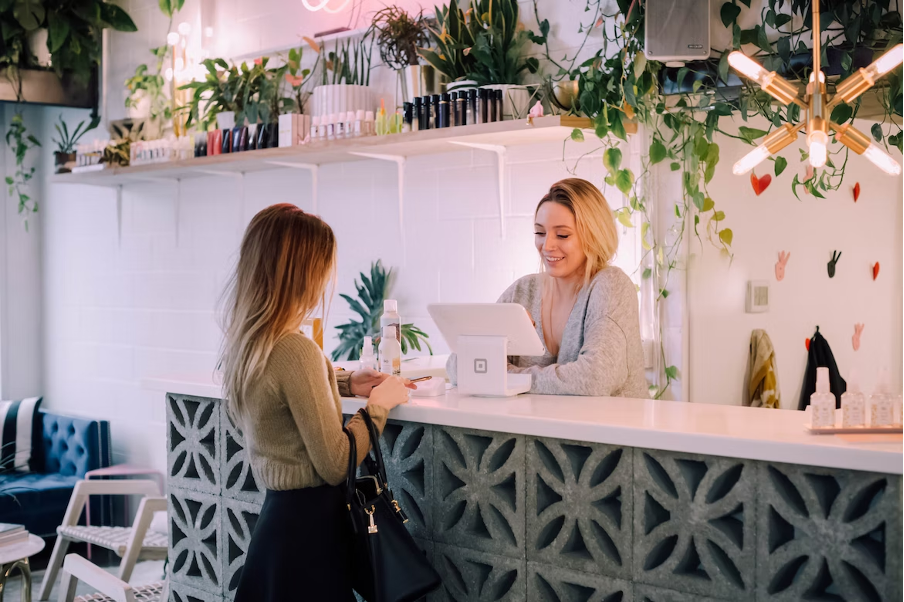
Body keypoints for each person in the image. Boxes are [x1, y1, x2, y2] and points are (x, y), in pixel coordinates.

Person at [219, 204, 413, 601]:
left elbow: (281, 391)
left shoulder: (251, 344)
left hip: (277, 530)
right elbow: (334, 462)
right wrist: (378, 405)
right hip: (310, 539)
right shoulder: (296, 350)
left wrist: (342, 382)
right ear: (303, 274)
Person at [448, 178, 648, 398]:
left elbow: (595, 379)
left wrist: (510, 378)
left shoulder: (610, 286)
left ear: (594, 235)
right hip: (540, 430)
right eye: (540, 233)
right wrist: (498, 338)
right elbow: (458, 368)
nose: (547, 245)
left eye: (562, 235)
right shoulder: (523, 291)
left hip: (609, 431)